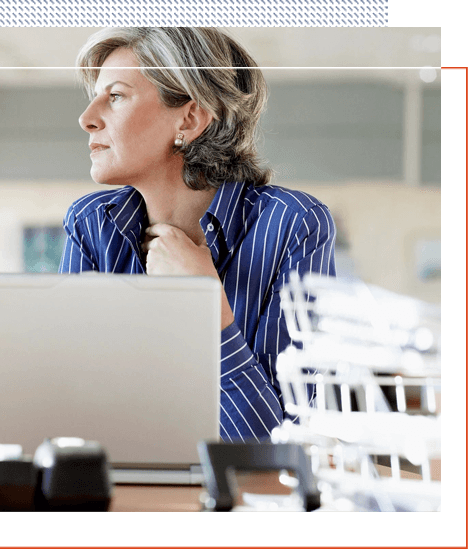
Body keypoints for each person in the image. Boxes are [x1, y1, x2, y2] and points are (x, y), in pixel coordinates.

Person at [59, 27, 336, 442]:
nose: (86, 118)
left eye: (115, 96)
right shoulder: (90, 223)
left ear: (189, 117)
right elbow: (67, 409)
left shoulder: (294, 225)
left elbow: (285, 448)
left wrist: (209, 308)